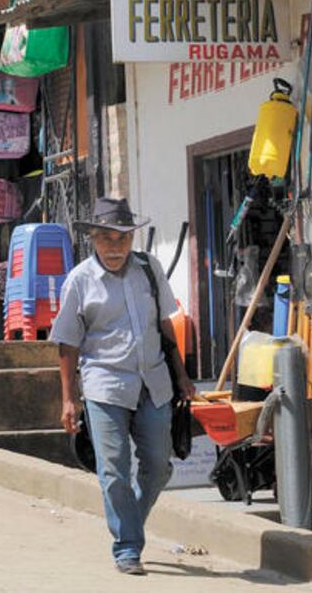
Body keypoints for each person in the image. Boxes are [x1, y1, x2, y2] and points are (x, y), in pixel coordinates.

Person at [50, 197, 196, 576]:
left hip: (154, 380)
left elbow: (165, 324)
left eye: (122, 239)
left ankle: (128, 521)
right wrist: (69, 398)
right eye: (105, 239)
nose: (114, 248)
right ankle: (127, 546)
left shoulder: (150, 269)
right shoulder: (79, 281)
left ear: (132, 239)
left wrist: (181, 375)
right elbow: (67, 342)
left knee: (158, 466)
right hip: (104, 384)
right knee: (113, 469)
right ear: (93, 239)